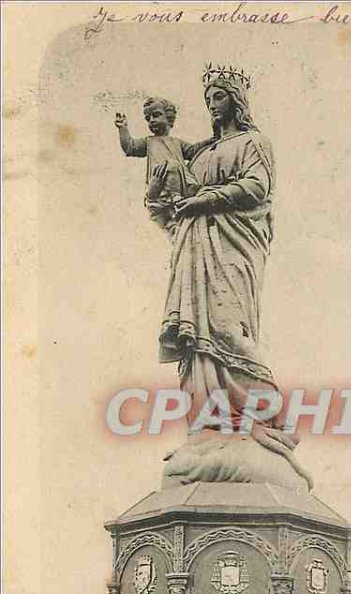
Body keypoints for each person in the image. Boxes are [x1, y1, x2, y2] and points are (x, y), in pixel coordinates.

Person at [158, 65, 311, 486]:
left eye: (219, 97)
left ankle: (269, 416)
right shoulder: (201, 152)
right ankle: (211, 429)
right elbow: (172, 196)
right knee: (197, 343)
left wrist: (204, 200)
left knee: (227, 329)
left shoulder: (253, 143)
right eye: (207, 99)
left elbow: (257, 188)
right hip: (194, 250)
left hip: (233, 246)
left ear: (236, 101)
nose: (212, 105)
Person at [114, 97, 210, 234]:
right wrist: (122, 128)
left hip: (178, 184)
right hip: (159, 187)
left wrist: (210, 141)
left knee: (173, 166)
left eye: (156, 115)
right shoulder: (149, 142)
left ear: (169, 117)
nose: (152, 120)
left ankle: (176, 198)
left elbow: (193, 150)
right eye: (148, 118)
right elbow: (130, 147)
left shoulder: (176, 142)